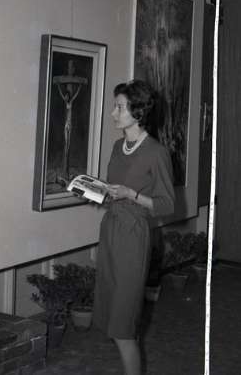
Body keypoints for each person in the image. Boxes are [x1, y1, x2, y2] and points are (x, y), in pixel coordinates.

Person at [93, 79, 174, 375]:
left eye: (119, 107)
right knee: (114, 322)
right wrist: (93, 191)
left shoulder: (156, 152)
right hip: (110, 231)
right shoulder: (118, 146)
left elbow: (167, 204)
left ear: (138, 112)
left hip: (133, 236)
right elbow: (111, 191)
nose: (113, 113)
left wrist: (131, 194)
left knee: (123, 326)